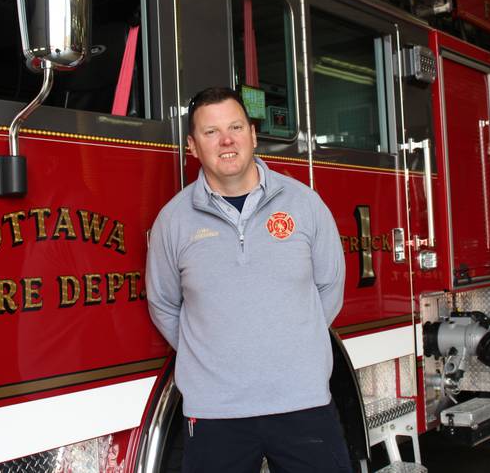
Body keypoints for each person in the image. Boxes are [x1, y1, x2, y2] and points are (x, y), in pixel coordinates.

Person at [146, 87, 349, 472]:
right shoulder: (172, 221)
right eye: (211, 132)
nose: (226, 140)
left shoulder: (304, 205)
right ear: (192, 146)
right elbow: (163, 303)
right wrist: (213, 359)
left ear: (253, 135)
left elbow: (329, 287)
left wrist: (292, 348)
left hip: (302, 403)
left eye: (236, 127)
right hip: (215, 414)